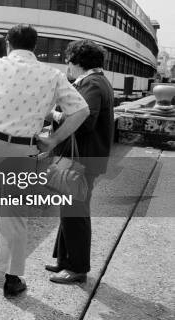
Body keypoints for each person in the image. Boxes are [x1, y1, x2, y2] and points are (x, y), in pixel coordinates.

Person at [0, 24, 90, 297]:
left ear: (8, 43)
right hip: (22, 155)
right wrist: (52, 140)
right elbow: (81, 111)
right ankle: (12, 280)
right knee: (15, 217)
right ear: (34, 47)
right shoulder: (52, 75)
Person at [45, 40, 114, 284]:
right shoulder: (97, 81)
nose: (67, 66)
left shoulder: (92, 84)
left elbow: (85, 121)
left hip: (82, 160)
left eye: (69, 61)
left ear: (77, 62)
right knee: (70, 210)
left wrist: (52, 114)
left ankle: (77, 268)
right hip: (83, 159)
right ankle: (65, 259)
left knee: (76, 212)